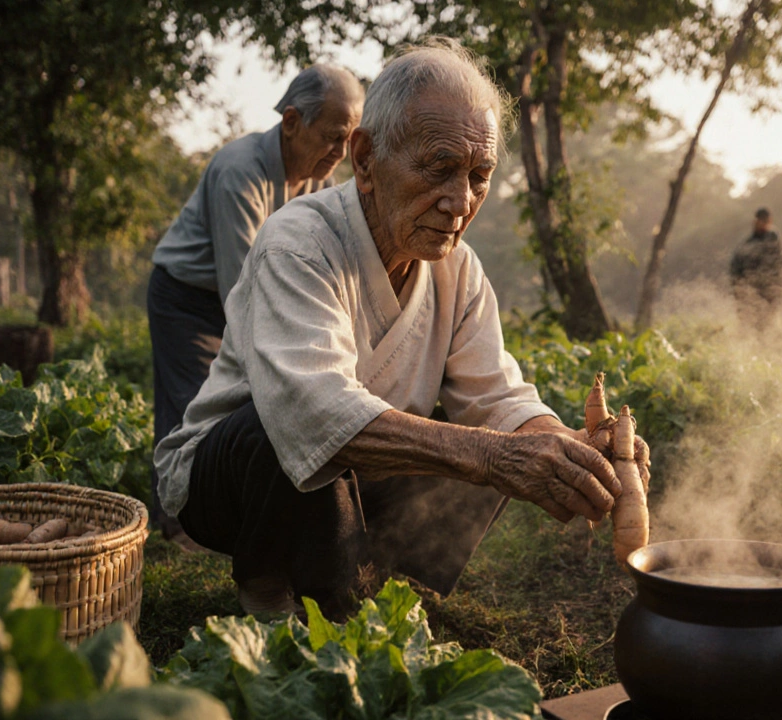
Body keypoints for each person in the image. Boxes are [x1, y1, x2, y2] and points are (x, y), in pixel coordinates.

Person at [154, 41, 648, 617]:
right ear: (365, 160)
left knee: (497, 442)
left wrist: (564, 445)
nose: (461, 202)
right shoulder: (300, 242)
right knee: (293, 428)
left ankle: (380, 576)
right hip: (228, 482)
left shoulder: (457, 269)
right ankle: (270, 587)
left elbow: (496, 396)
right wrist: (495, 455)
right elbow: (315, 415)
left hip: (356, 477)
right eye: (440, 169)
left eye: (479, 175)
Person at [147, 65, 364, 540]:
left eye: (349, 139)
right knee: (193, 407)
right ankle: (176, 520)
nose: (341, 153)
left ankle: (233, 507)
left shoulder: (316, 180)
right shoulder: (240, 172)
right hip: (187, 297)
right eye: (332, 137)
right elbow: (242, 289)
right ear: (291, 122)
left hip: (240, 293)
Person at [729, 207, 782, 332]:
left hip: (767, 289)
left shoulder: (772, 237)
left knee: (765, 322)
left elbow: (776, 264)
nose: (763, 224)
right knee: (747, 322)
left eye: (766, 221)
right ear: (755, 221)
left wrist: (776, 287)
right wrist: (738, 287)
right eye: (761, 220)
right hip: (749, 290)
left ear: (770, 221)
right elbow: (736, 267)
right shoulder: (747, 243)